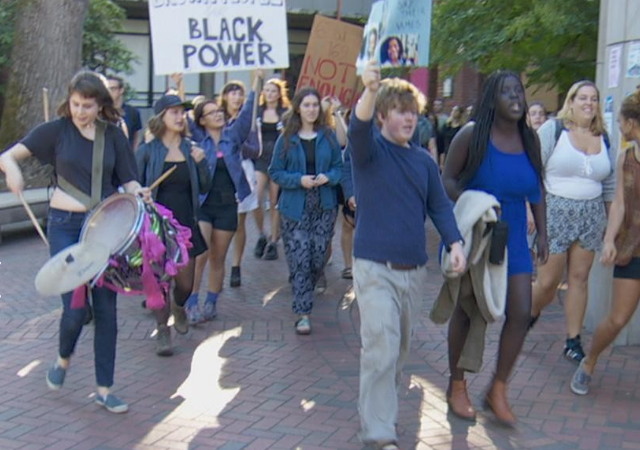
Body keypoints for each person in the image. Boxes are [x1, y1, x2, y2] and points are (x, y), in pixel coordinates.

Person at [0, 71, 147, 413]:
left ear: (100, 105)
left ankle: (104, 388)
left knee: (107, 311)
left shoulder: (113, 136)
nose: (81, 111)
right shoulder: (55, 131)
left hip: (105, 229)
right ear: (70, 100)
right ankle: (63, 357)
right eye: (76, 104)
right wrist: (13, 172)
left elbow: (128, 181)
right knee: (76, 310)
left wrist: (139, 193)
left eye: (88, 106)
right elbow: (7, 156)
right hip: (65, 226)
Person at [350, 61, 465, 449]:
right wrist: (368, 88)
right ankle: (379, 432)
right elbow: (357, 127)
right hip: (373, 267)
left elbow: (440, 207)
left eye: (413, 112)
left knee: (395, 354)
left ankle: (376, 411)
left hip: (412, 271)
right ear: (383, 113)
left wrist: (456, 242)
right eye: (401, 111)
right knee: (381, 348)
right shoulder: (368, 152)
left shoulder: (423, 162)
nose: (409, 118)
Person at [442, 70, 547, 426]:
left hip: (515, 237)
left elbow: (537, 189)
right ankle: (457, 384)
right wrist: (476, 202)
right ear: (492, 98)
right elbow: (448, 180)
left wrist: (543, 234)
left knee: (520, 311)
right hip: (479, 237)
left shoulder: (529, 139)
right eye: (507, 92)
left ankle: (497, 388)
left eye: (519, 90)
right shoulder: (473, 135)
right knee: (469, 311)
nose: (516, 97)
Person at [531, 81, 615, 364]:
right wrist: (531, 211)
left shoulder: (603, 137)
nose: (588, 103)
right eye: (582, 98)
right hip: (554, 212)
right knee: (548, 283)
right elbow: (533, 172)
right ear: (571, 101)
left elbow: (610, 186)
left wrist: (609, 228)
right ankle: (527, 313)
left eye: (594, 98)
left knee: (578, 279)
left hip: (590, 216)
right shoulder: (553, 131)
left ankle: (572, 340)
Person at [570, 88, 640, 395]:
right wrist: (610, 239)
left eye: (622, 122)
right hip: (633, 248)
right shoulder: (626, 158)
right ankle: (589, 361)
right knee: (618, 318)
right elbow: (620, 204)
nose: (620, 128)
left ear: (630, 123)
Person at [136, 94, 211, 354]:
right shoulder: (148, 150)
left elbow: (206, 186)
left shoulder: (192, 149)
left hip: (185, 226)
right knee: (157, 283)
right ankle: (163, 332)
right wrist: (140, 192)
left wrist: (202, 165)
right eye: (174, 112)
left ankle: (179, 306)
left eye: (182, 112)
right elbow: (132, 185)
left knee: (185, 285)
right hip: (156, 227)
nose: (180, 117)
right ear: (161, 118)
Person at [186, 72, 262, 324]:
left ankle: (211, 302)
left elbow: (249, 110)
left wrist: (257, 81)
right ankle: (191, 301)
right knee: (200, 254)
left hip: (228, 203)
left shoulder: (233, 135)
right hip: (204, 205)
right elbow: (184, 115)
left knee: (219, 257)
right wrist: (178, 84)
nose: (218, 114)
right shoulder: (198, 138)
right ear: (202, 120)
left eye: (219, 110)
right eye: (211, 112)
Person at [268, 87, 343, 335]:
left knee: (318, 257)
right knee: (300, 258)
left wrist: (328, 177)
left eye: (314, 105)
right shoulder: (286, 138)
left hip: (324, 205)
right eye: (306, 105)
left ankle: (303, 285)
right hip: (295, 207)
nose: (311, 109)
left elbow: (339, 168)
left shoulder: (328, 136)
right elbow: (275, 172)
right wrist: (298, 180)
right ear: (298, 108)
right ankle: (303, 313)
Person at [222, 80, 260, 287]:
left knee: (239, 221)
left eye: (240, 94)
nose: (236, 97)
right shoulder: (217, 117)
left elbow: (255, 146)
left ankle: (236, 265)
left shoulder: (249, 119)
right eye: (232, 93)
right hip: (221, 170)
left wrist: (256, 79)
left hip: (243, 169)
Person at [253, 78, 291, 261]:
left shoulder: (285, 112)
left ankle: (274, 240)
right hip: (260, 157)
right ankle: (262, 233)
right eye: (266, 90)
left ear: (279, 93)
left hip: (278, 158)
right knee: (256, 196)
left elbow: (290, 133)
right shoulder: (257, 111)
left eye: (273, 90)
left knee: (275, 200)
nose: (269, 94)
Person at [106, 75, 142, 150]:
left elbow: (136, 137)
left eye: (112, 89)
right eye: (107, 89)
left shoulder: (133, 112)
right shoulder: (101, 112)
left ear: (121, 90)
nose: (109, 92)